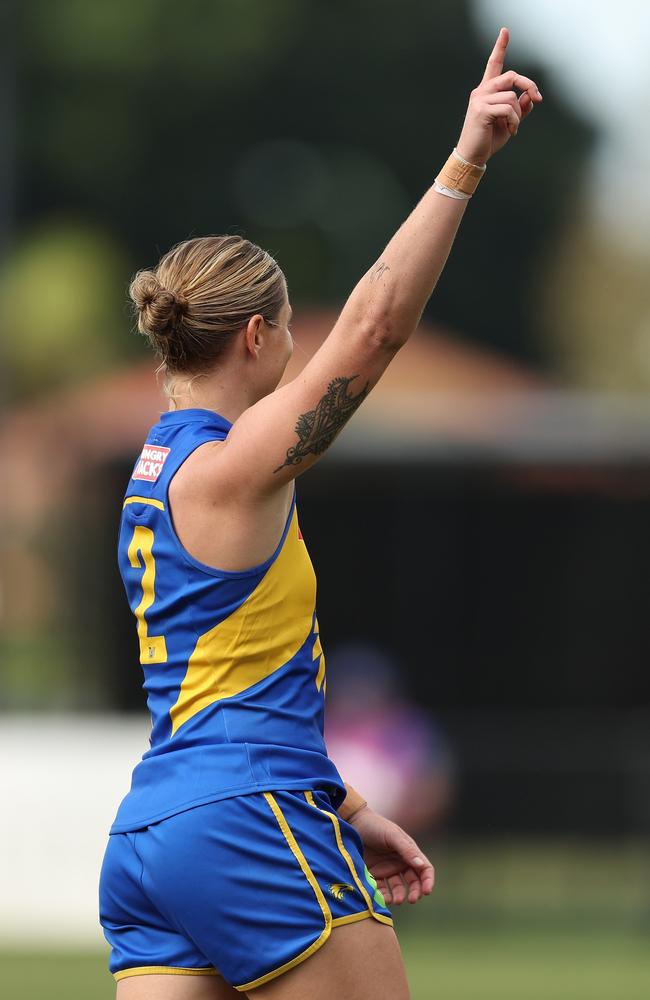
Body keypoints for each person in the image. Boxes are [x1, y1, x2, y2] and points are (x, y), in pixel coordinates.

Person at [99, 26, 541, 1000]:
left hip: (150, 840)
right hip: (246, 822)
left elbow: (217, 682)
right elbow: (375, 328)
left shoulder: (151, 476)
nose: (300, 349)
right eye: (291, 331)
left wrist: (341, 803)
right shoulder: (227, 468)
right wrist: (466, 158)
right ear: (255, 336)